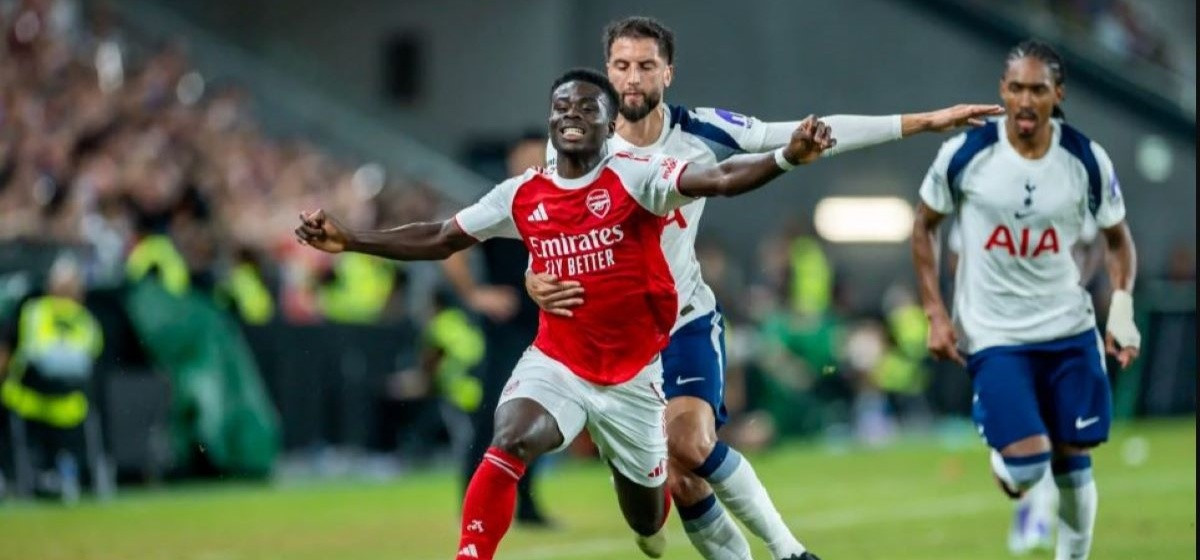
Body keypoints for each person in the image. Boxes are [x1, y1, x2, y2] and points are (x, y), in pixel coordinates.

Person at [294, 67, 836, 560]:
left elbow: (719, 179)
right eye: (561, 107)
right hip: (559, 362)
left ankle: (643, 509)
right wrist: (351, 239)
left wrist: (786, 157)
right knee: (510, 435)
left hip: (634, 378)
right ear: (550, 121)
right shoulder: (521, 194)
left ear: (610, 124)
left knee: (648, 521)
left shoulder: (637, 175)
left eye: (586, 107)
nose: (571, 114)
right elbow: (441, 237)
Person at [525, 15, 1004, 560]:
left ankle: (790, 552)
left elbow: (808, 131)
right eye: (622, 66)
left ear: (668, 72)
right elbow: (546, 229)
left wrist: (922, 122)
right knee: (671, 496)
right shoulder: (574, 144)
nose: (632, 78)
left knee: (691, 444)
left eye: (645, 66)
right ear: (608, 71)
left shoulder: (701, 132)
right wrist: (532, 276)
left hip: (681, 322)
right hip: (611, 342)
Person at [912, 39, 1140, 560]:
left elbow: (1117, 239)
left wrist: (1122, 314)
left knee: (1074, 459)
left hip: (1068, 330)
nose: (1025, 100)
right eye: (1016, 88)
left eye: (1038, 89)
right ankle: (1007, 457)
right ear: (1002, 90)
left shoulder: (1085, 158)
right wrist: (935, 313)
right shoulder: (966, 154)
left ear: (1058, 94)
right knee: (1028, 467)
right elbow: (923, 226)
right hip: (996, 335)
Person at [947, 211, 1106, 555]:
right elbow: (956, 257)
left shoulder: (1065, 189)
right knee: (1033, 440)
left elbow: (1094, 241)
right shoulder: (980, 195)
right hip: (1003, 331)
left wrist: (1078, 282)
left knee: (1063, 436)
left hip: (1059, 327)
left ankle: (1038, 516)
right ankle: (1023, 490)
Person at [439, 133, 556, 527]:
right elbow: (452, 247)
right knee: (494, 414)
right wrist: (475, 294)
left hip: (547, 329)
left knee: (538, 417)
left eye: (539, 154)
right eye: (526, 154)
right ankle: (472, 505)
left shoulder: (559, 199)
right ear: (511, 160)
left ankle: (527, 505)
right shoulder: (499, 201)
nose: (533, 161)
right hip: (507, 329)